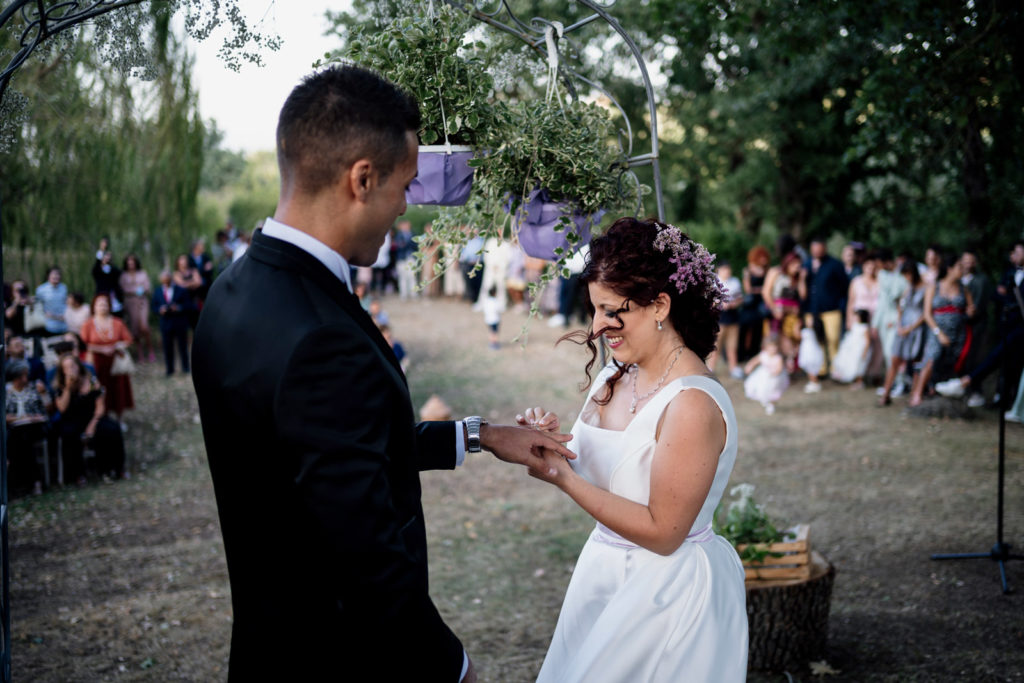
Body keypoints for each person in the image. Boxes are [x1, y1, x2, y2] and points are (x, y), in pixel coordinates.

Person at [190, 65, 574, 682]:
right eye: (406, 185)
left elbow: (321, 453)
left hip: (268, 646)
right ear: (362, 179)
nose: (407, 206)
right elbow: (363, 556)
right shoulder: (321, 335)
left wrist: (477, 434)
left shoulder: (233, 293)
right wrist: (457, 669)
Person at [521, 217, 746, 682]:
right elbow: (610, 466)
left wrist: (562, 479)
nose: (598, 326)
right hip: (603, 574)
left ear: (660, 305)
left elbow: (664, 532)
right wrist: (551, 442)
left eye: (610, 310)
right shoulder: (615, 375)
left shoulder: (691, 405)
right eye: (595, 310)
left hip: (666, 593)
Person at [936, 240, 1024, 407]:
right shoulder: (1010, 273)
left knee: (994, 357)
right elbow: (998, 296)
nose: (1014, 256)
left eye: (1018, 252)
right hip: (1006, 325)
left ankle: (968, 384)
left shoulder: (980, 280)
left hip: (989, 326)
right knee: (1001, 360)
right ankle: (993, 395)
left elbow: (984, 300)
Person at [909, 254, 974, 407]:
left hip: (958, 331)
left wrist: (971, 312)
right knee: (932, 358)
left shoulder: (963, 289)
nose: (962, 270)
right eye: (959, 267)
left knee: (952, 361)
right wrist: (938, 333)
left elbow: (970, 309)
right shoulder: (934, 287)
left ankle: (942, 391)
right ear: (950, 269)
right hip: (937, 330)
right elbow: (927, 314)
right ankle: (917, 393)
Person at [52, 353, 127, 483]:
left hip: (93, 417)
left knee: (111, 429)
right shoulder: (61, 386)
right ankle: (77, 474)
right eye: (67, 367)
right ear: (63, 371)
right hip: (72, 419)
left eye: (73, 365)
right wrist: (69, 388)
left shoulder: (92, 382)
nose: (71, 369)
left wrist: (92, 424)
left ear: (78, 366)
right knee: (68, 434)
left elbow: (100, 406)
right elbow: (62, 409)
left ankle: (114, 469)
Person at [79, 293, 135, 424]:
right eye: (99, 304)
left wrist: (116, 346)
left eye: (105, 304)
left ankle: (120, 418)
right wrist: (101, 349)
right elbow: (83, 344)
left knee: (118, 389)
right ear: (94, 306)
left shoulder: (117, 322)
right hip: (96, 362)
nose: (102, 306)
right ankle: (101, 417)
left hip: (115, 363)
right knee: (99, 389)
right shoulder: (88, 324)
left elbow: (128, 340)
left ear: (109, 306)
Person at [879, 262, 926, 406]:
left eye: (908, 274)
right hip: (903, 327)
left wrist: (911, 327)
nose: (907, 277)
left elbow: (925, 313)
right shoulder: (907, 288)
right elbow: (901, 306)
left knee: (916, 362)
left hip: (916, 328)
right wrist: (900, 325)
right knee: (894, 359)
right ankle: (886, 393)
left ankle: (914, 395)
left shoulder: (925, 288)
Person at [803, 238, 849, 376]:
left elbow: (844, 287)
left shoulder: (835, 265)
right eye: (814, 248)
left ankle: (835, 368)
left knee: (833, 339)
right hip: (812, 309)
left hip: (832, 309)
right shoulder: (806, 265)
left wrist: (841, 306)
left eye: (819, 248)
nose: (816, 251)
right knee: (817, 341)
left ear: (824, 248)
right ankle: (820, 369)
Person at [5, 359, 50, 495]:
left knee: (21, 439)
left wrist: (43, 394)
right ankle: (35, 481)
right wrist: (21, 418)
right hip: (14, 429)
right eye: (22, 376)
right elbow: (4, 416)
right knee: (19, 439)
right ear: (15, 377)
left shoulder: (33, 389)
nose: (26, 378)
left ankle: (18, 483)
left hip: (34, 427)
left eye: (26, 375)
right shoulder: (6, 392)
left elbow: (47, 410)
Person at [151, 270, 193, 376]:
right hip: (165, 323)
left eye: (167, 281)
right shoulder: (157, 291)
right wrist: (160, 310)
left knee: (182, 346)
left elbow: (189, 305)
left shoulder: (181, 290)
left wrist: (178, 308)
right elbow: (154, 307)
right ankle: (170, 369)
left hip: (179, 322)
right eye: (163, 281)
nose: (165, 283)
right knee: (167, 347)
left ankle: (186, 367)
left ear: (171, 279)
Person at [707, 261, 743, 378]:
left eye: (728, 269)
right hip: (719, 318)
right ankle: (711, 368)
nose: (727, 271)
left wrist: (733, 304)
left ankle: (734, 367)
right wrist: (720, 303)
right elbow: (709, 301)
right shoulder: (714, 283)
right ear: (719, 270)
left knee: (732, 345)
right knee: (716, 344)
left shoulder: (735, 282)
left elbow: (740, 298)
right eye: (724, 269)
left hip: (733, 317)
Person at [119, 254, 154, 361]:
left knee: (144, 326)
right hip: (130, 303)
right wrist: (136, 290)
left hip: (142, 301)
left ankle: (150, 349)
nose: (131, 264)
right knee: (135, 328)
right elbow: (123, 289)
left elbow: (147, 287)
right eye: (129, 263)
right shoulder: (123, 275)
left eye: (133, 262)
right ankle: (140, 353)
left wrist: (136, 290)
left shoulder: (142, 273)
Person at [744, 335, 790, 414]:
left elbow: (779, 368)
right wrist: (749, 366)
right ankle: (765, 400)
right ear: (766, 347)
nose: (773, 349)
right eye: (771, 347)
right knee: (762, 389)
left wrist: (775, 372)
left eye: (775, 347)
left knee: (773, 392)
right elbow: (755, 360)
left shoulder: (778, 358)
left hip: (775, 378)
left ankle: (771, 405)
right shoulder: (763, 354)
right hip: (763, 376)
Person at [831, 309, 872, 386]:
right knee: (853, 364)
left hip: (860, 349)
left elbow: (867, 341)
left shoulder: (865, 327)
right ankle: (854, 380)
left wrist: (865, 352)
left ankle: (860, 382)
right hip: (853, 349)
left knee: (860, 365)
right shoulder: (855, 325)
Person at [34, 267, 68, 334]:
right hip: (49, 324)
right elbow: (38, 306)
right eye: (54, 274)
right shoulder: (41, 289)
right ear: (48, 276)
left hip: (63, 323)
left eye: (58, 274)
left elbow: (65, 302)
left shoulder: (63, 287)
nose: (56, 276)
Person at [91, 250, 124, 316]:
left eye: (108, 257)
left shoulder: (114, 270)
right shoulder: (98, 271)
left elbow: (118, 275)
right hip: (102, 294)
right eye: (105, 257)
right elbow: (95, 270)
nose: (107, 259)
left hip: (113, 296)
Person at [481, 283, 503, 350]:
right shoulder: (496, 301)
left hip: (488, 319)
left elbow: (484, 309)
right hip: (495, 319)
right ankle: (494, 343)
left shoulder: (486, 301)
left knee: (491, 331)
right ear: (495, 293)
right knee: (495, 332)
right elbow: (499, 309)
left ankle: (491, 343)